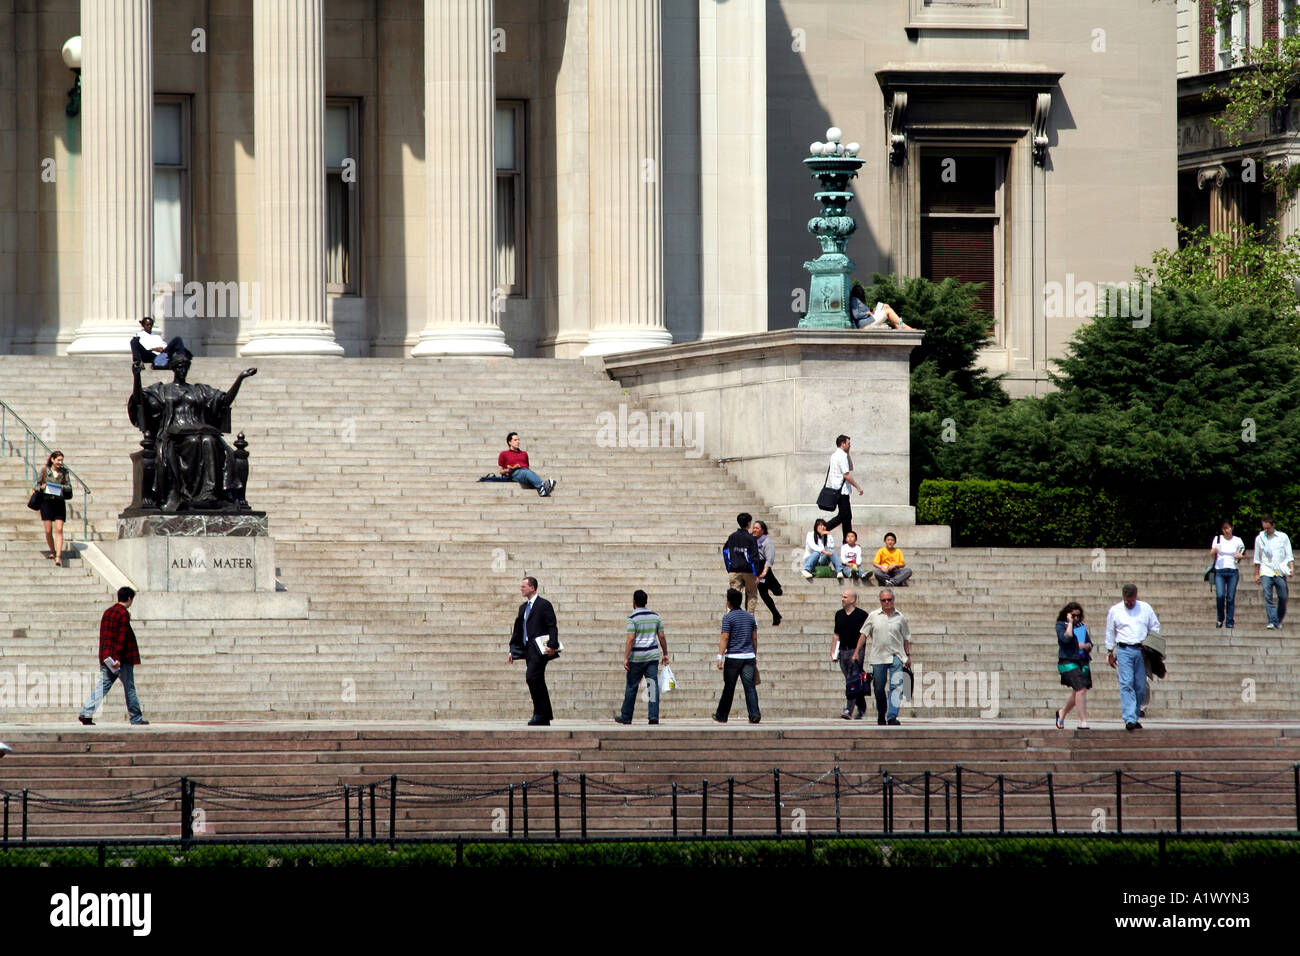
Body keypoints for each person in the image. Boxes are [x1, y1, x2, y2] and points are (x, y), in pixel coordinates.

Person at [129, 352, 257, 511]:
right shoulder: (162, 390)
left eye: (185, 366)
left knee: (209, 440)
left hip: (200, 431)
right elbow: (140, 401)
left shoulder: (199, 390)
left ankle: (208, 494)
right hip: (173, 436)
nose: (182, 370)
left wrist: (240, 379)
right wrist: (137, 377)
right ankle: (187, 493)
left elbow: (224, 401)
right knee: (194, 441)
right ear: (173, 368)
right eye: (179, 366)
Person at [77, 587, 149, 726]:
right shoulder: (123, 614)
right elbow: (121, 637)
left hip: (106, 657)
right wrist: (117, 658)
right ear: (129, 598)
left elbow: (105, 636)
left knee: (103, 686)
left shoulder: (108, 612)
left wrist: (106, 656)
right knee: (129, 688)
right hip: (121, 659)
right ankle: (136, 718)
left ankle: (86, 712)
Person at [1104, 584, 1160, 731]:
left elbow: (1155, 626)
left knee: (1141, 686)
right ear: (1123, 597)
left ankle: (1134, 716)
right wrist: (1109, 652)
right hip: (1123, 650)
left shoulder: (1145, 608)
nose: (1129, 603)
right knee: (1126, 683)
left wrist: (1149, 642)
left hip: (1141, 650)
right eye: (1127, 601)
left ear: (1136, 596)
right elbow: (1110, 631)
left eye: (1131, 600)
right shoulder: (1115, 610)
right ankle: (1129, 718)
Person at [853, 588, 912, 725]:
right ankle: (881, 711)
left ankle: (892, 716)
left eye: (889, 599)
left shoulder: (900, 617)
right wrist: (856, 651)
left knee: (896, 686)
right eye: (884, 600)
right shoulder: (873, 616)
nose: (887, 602)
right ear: (880, 601)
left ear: (893, 600)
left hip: (897, 655)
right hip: (879, 657)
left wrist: (907, 655)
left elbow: (906, 638)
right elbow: (864, 634)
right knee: (879, 687)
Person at [507, 577, 559, 725]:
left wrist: (553, 645)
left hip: (540, 649)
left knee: (532, 677)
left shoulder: (544, 605)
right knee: (538, 680)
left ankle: (540, 713)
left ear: (532, 588)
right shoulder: (523, 608)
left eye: (524, 586)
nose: (521, 589)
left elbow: (552, 625)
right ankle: (543, 714)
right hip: (527, 649)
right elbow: (517, 631)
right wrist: (512, 650)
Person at [614, 589, 668, 725]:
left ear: (634, 602)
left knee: (631, 686)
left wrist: (626, 657)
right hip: (652, 657)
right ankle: (653, 716)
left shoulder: (632, 618)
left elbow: (630, 639)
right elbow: (661, 636)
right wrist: (665, 653)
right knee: (652, 686)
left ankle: (626, 716)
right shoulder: (655, 617)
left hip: (636, 658)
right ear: (646, 602)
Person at [713, 588, 760, 723]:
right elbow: (754, 638)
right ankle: (754, 714)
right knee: (750, 686)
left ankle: (722, 715)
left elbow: (725, 637)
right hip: (748, 657)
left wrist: (719, 656)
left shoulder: (728, 618)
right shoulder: (750, 618)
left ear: (729, 603)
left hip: (733, 657)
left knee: (729, 687)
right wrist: (754, 655)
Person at [1054, 602, 1092, 730]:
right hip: (1067, 662)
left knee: (1077, 692)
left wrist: (1087, 646)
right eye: (1073, 615)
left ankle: (1062, 713)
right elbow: (1066, 639)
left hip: (1081, 661)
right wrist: (1070, 623)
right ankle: (1083, 721)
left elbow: (1089, 642)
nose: (1076, 618)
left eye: (1078, 616)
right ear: (1068, 614)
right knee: (1081, 689)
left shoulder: (1081, 626)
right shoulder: (1061, 625)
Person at [831, 589, 869, 719]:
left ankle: (848, 710)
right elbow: (836, 635)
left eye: (845, 597)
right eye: (842, 596)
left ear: (852, 600)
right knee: (851, 680)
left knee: (852, 680)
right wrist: (833, 652)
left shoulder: (862, 615)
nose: (842, 599)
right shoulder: (839, 614)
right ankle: (862, 707)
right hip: (843, 651)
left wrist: (857, 652)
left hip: (856, 650)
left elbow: (863, 635)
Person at [1253, 514, 1293, 630]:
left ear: (1273, 525)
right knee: (1268, 596)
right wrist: (1256, 573)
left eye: (1268, 528)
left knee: (1283, 597)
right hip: (1266, 571)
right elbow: (1257, 558)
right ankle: (1272, 620)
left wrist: (1291, 568)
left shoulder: (1282, 537)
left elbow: (1289, 554)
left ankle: (1278, 619)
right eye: (1264, 528)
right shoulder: (1260, 538)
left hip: (1279, 571)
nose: (1266, 530)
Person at [34, 450, 72, 567]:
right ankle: (52, 551)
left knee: (59, 529)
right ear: (52, 460)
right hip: (46, 502)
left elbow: (69, 487)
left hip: (59, 502)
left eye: (62, 460)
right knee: (48, 530)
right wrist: (43, 486)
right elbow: (36, 485)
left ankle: (58, 556)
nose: (60, 462)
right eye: (58, 460)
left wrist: (62, 488)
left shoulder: (64, 472)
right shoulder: (45, 471)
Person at [823, 435, 863, 536]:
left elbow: (850, 467)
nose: (850, 446)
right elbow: (847, 474)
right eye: (848, 444)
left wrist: (848, 454)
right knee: (844, 515)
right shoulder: (842, 456)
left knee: (847, 517)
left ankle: (847, 540)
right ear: (843, 444)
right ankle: (824, 528)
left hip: (837, 489)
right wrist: (858, 487)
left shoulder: (835, 455)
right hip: (842, 490)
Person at [497, 432, 557, 497]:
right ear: (510, 442)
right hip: (514, 473)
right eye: (515, 440)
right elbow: (500, 471)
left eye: (518, 440)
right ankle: (542, 487)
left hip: (525, 472)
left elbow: (527, 467)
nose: (518, 442)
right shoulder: (504, 454)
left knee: (528, 472)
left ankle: (542, 487)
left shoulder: (524, 453)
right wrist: (507, 471)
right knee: (526, 472)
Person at [1210, 520, 1245, 629]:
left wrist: (1240, 556)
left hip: (1233, 571)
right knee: (1220, 595)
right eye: (1224, 528)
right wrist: (1214, 551)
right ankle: (1220, 618)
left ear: (1232, 528)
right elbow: (1211, 553)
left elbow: (1243, 553)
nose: (1226, 530)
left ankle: (1229, 621)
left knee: (1230, 597)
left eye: (1228, 528)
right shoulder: (1218, 539)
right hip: (1220, 570)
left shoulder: (1237, 540)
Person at [722, 512, 760, 613]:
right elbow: (755, 556)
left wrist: (729, 567)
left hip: (734, 570)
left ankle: (731, 616)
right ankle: (750, 617)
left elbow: (725, 552)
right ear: (748, 523)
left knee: (734, 594)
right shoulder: (751, 538)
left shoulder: (732, 537)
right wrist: (757, 573)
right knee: (751, 594)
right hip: (748, 570)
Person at [751, 519, 782, 627]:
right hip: (756, 567)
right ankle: (776, 614)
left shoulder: (766, 542)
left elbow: (769, 559)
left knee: (774, 591)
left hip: (764, 567)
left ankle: (776, 588)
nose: (754, 530)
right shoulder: (752, 540)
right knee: (764, 594)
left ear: (762, 530)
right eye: (753, 527)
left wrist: (764, 571)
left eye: (757, 528)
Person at [849, 282, 914, 330]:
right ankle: (903, 326)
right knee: (888, 311)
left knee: (886, 305)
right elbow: (856, 315)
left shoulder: (859, 301)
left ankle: (899, 326)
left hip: (868, 321)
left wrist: (872, 311)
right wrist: (867, 313)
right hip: (864, 325)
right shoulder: (854, 299)